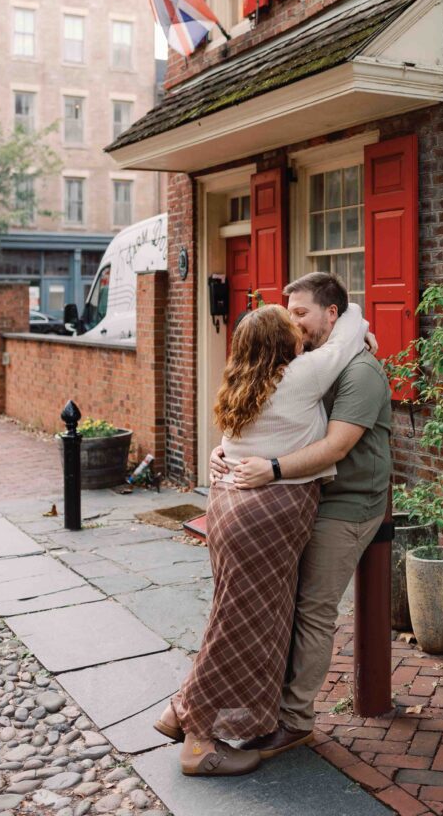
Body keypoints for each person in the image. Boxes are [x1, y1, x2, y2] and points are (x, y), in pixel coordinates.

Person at [155, 299, 367, 776]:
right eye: (291, 324)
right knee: (241, 626)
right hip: (267, 516)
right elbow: (351, 328)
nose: (299, 329)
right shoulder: (300, 377)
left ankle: (180, 712)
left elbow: (232, 444)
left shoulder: (239, 384)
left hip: (229, 508)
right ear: (279, 343)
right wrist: (350, 320)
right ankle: (198, 741)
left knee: (233, 617)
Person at [210, 272, 392, 758]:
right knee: (276, 602)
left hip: (347, 500)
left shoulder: (361, 371)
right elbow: (267, 418)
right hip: (300, 494)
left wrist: (268, 470)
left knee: (312, 609)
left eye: (301, 313)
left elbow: (336, 445)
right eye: (288, 314)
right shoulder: (303, 361)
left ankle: (295, 721)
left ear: (332, 314)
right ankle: (263, 704)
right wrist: (224, 452)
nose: (293, 323)